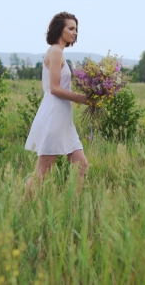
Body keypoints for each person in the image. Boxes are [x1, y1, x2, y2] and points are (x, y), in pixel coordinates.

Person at [24, 12, 92, 194]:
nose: (75, 33)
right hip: (54, 117)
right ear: (59, 29)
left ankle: (74, 209)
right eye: (71, 28)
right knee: (42, 173)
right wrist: (83, 99)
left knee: (81, 166)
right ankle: (21, 210)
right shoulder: (55, 51)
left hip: (64, 120)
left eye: (76, 29)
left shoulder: (59, 52)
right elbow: (54, 88)